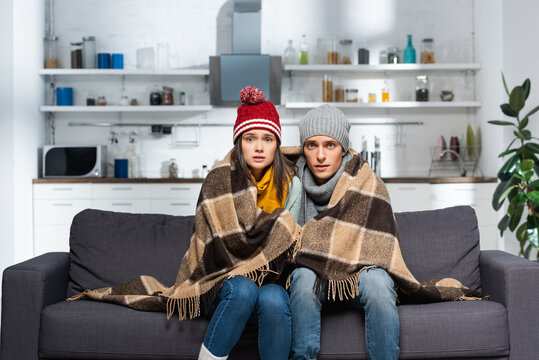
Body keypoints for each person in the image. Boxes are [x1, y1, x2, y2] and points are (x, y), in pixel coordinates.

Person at [289, 104, 400, 360]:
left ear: (343, 149)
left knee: (379, 281)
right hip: (314, 275)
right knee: (304, 277)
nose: (320, 155)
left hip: (357, 276)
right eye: (311, 145)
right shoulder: (290, 182)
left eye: (330, 145)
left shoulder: (366, 181)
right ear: (303, 149)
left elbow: (381, 245)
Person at [198, 86, 301, 360]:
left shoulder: (292, 186)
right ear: (239, 142)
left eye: (267, 139)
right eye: (250, 138)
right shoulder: (220, 181)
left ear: (277, 144)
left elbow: (291, 244)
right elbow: (211, 246)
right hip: (223, 281)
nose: (258, 146)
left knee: (274, 298)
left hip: (273, 279)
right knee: (244, 289)